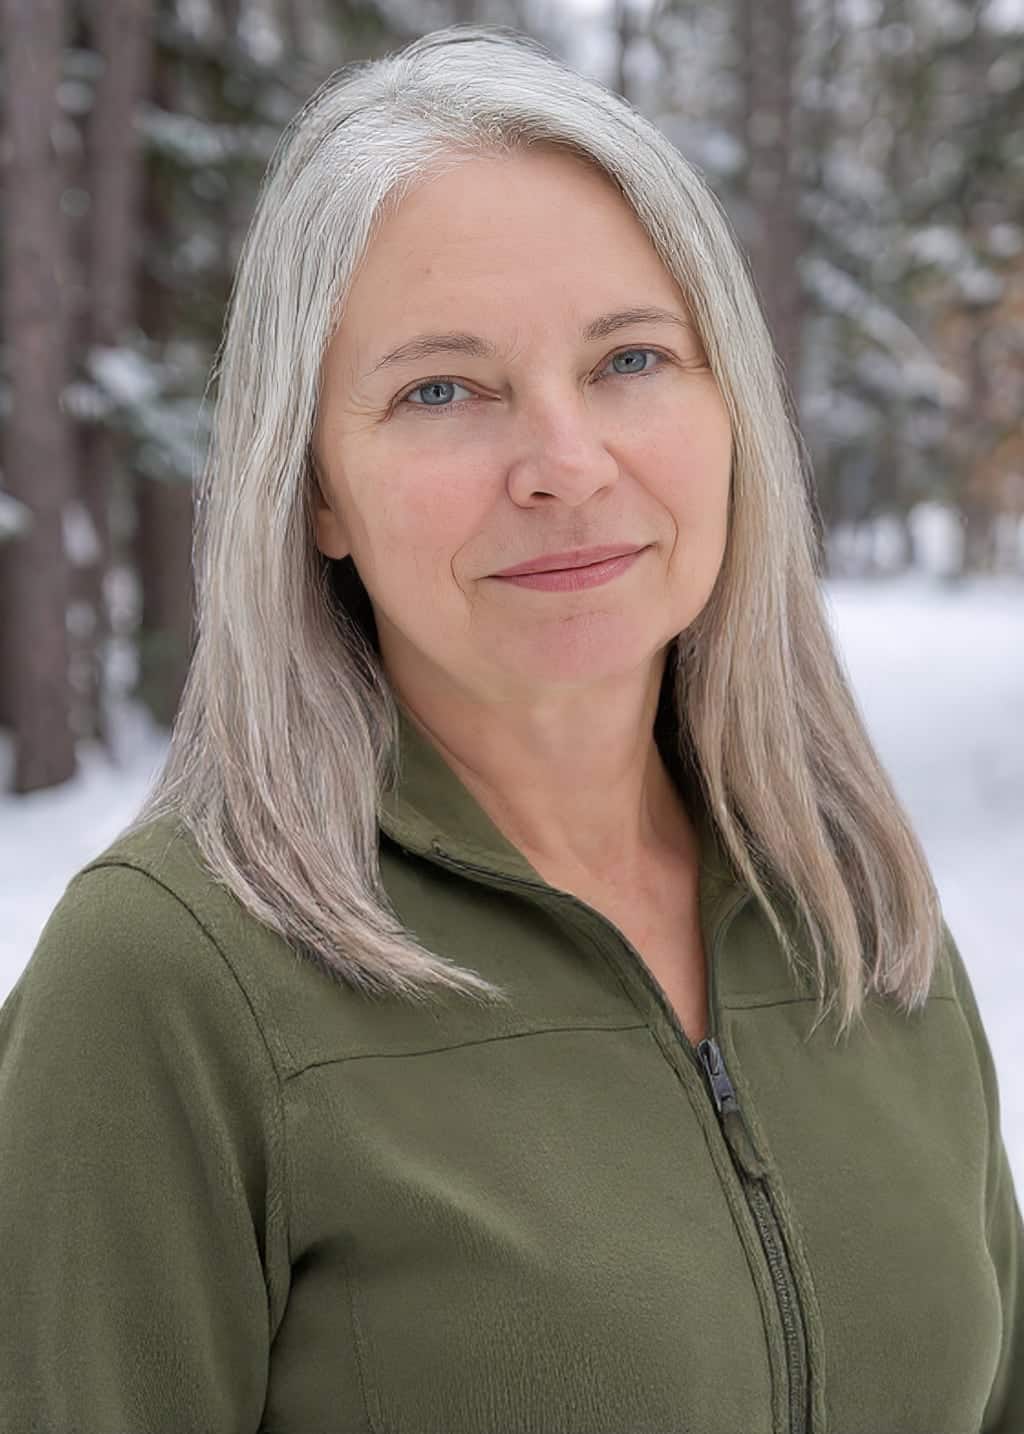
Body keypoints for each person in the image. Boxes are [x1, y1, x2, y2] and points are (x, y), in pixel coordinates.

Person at [0, 23, 1019, 1434]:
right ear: (315, 493)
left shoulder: (857, 912)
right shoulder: (169, 989)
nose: (564, 461)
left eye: (631, 360)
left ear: (732, 409)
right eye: (441, 388)